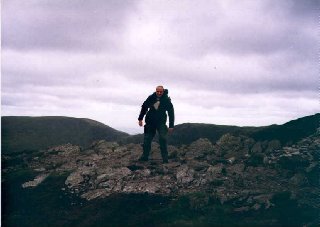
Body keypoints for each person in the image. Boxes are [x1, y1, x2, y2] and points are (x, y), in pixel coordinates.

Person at [138, 85, 175, 163]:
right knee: (147, 139)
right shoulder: (151, 97)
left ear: (163, 91)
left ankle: (165, 158)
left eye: (160, 91)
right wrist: (140, 119)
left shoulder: (166, 100)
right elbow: (144, 107)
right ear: (155, 90)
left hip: (161, 122)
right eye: (157, 91)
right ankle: (145, 156)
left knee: (163, 139)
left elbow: (171, 113)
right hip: (150, 121)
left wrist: (171, 125)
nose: (159, 93)